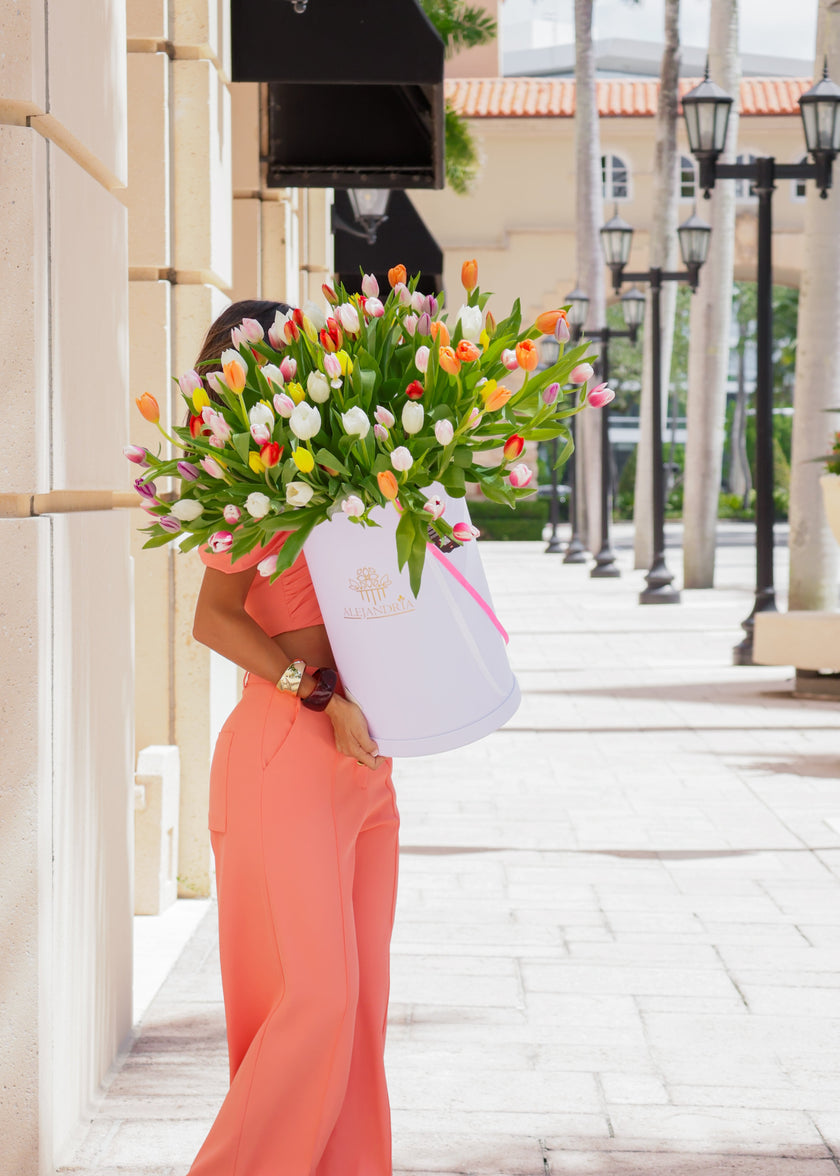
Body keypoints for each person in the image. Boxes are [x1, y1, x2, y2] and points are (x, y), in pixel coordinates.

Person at [186, 300, 401, 1176]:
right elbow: (211, 619)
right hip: (287, 746)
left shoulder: (350, 469)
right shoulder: (244, 480)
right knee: (315, 997)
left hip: (363, 762)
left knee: (359, 1008)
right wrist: (315, 693)